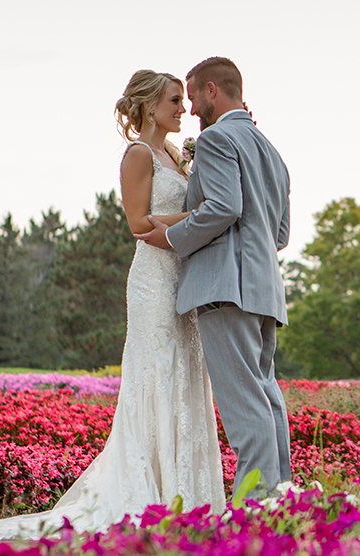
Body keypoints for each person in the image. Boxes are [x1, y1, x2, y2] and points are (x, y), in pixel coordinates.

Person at [0, 69, 227, 541]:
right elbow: (138, 223)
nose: (182, 108)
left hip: (183, 282)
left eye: (183, 100)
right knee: (157, 374)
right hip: (153, 282)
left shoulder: (175, 154)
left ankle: (187, 492)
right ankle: (151, 494)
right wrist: (202, 218)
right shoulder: (140, 155)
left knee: (184, 371)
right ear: (147, 106)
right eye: (173, 99)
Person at [134, 56, 292, 498]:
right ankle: (282, 497)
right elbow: (278, 234)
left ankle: (255, 508)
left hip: (226, 289)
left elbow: (224, 207)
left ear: (211, 91)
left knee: (245, 408)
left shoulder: (220, 139)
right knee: (266, 398)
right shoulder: (270, 151)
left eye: (193, 95)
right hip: (263, 290)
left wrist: (174, 237)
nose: (190, 108)